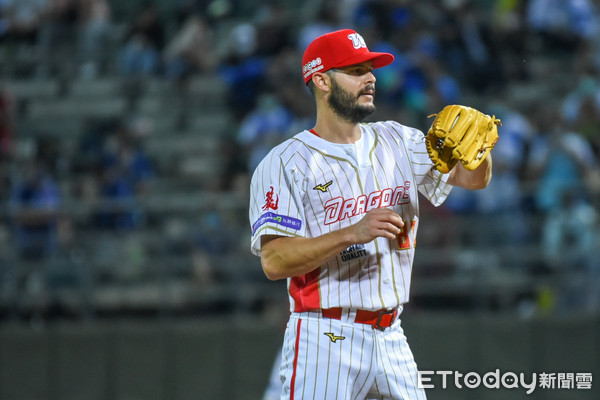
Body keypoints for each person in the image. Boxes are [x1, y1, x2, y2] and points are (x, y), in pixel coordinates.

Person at [248, 29, 493, 400]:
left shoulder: (399, 140)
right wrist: (351, 232)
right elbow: (274, 260)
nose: (371, 78)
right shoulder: (284, 163)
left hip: (391, 334)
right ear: (321, 80)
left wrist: (480, 151)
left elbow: (472, 180)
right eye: (356, 70)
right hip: (324, 337)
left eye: (371, 69)